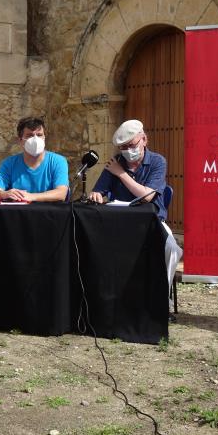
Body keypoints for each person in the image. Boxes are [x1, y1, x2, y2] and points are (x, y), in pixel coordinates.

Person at [89, 119, 183, 308]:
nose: (127, 151)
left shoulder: (157, 161)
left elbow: (147, 196)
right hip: (121, 222)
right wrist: (96, 194)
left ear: (144, 140)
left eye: (131, 145)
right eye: (123, 147)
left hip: (152, 219)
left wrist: (121, 174)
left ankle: (160, 298)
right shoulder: (116, 163)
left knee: (172, 249)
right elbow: (99, 190)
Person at [0, 116, 69, 202]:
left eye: (39, 135)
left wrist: (31, 197)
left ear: (44, 138)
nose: (35, 139)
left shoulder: (58, 161)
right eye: (30, 135)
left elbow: (61, 193)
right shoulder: (9, 163)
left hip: (49, 214)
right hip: (18, 213)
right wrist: (4, 194)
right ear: (20, 140)